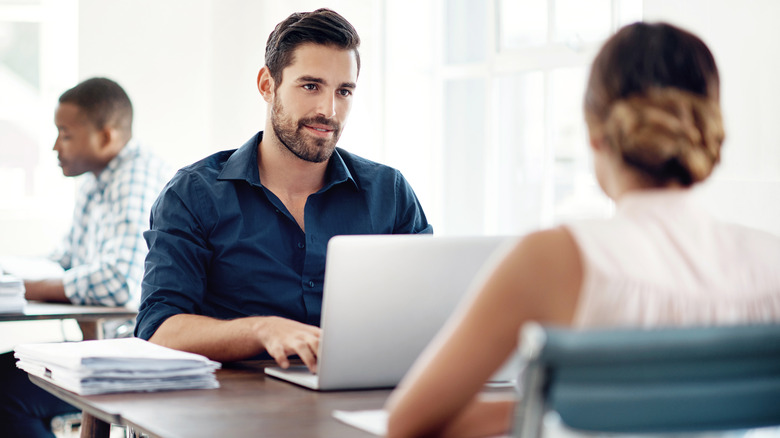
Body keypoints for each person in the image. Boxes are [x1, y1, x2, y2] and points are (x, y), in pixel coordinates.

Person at [385, 22, 780, 438]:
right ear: (706, 128)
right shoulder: (770, 260)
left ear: (595, 133)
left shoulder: (555, 257)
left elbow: (407, 423)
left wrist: (556, 404)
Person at [134, 8, 431, 373]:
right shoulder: (193, 195)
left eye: (344, 91)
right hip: (231, 413)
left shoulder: (390, 193)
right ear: (266, 85)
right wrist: (263, 330)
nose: (329, 110)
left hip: (358, 401)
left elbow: (429, 313)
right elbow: (159, 332)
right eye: (310, 86)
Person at [0, 77, 171, 437]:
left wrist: (28, 288)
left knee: (5, 393)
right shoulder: (97, 180)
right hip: (99, 346)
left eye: (65, 134)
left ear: (106, 137)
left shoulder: (133, 178)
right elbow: (66, 257)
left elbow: (119, 282)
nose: (54, 146)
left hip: (129, 354)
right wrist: (11, 275)